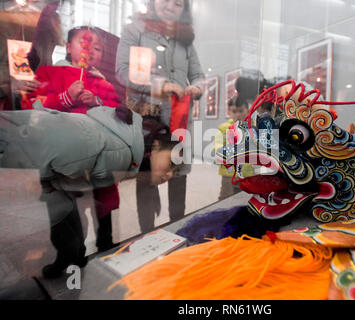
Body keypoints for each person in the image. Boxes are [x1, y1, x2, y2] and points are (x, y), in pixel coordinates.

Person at [0, 106, 143, 278]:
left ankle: (74, 254)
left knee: (59, 211)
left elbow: (72, 170)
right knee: (62, 207)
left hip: (52, 150)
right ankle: (79, 254)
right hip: (57, 153)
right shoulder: (113, 141)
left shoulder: (92, 138)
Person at [24, 26, 121, 252]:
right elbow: (31, 105)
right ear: (68, 47)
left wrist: (96, 102)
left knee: (104, 196)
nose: (90, 50)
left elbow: (118, 113)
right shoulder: (49, 73)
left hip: (99, 153)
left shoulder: (103, 84)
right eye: (84, 44)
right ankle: (70, 254)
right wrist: (65, 98)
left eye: (96, 48)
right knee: (64, 203)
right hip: (62, 152)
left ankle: (106, 241)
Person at [115, 0, 205, 232]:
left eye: (177, 3)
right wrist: (161, 85)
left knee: (178, 176)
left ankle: (179, 230)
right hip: (148, 119)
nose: (170, 5)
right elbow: (123, 72)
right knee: (147, 177)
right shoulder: (135, 30)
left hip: (179, 119)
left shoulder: (186, 39)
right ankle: (147, 234)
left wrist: (197, 87)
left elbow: (198, 74)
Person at [214, 96, 253, 200]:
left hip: (248, 173)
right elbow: (218, 146)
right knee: (225, 198)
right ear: (230, 112)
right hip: (229, 173)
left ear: (247, 110)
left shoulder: (253, 127)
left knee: (245, 199)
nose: (238, 114)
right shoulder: (223, 128)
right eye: (234, 111)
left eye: (241, 111)